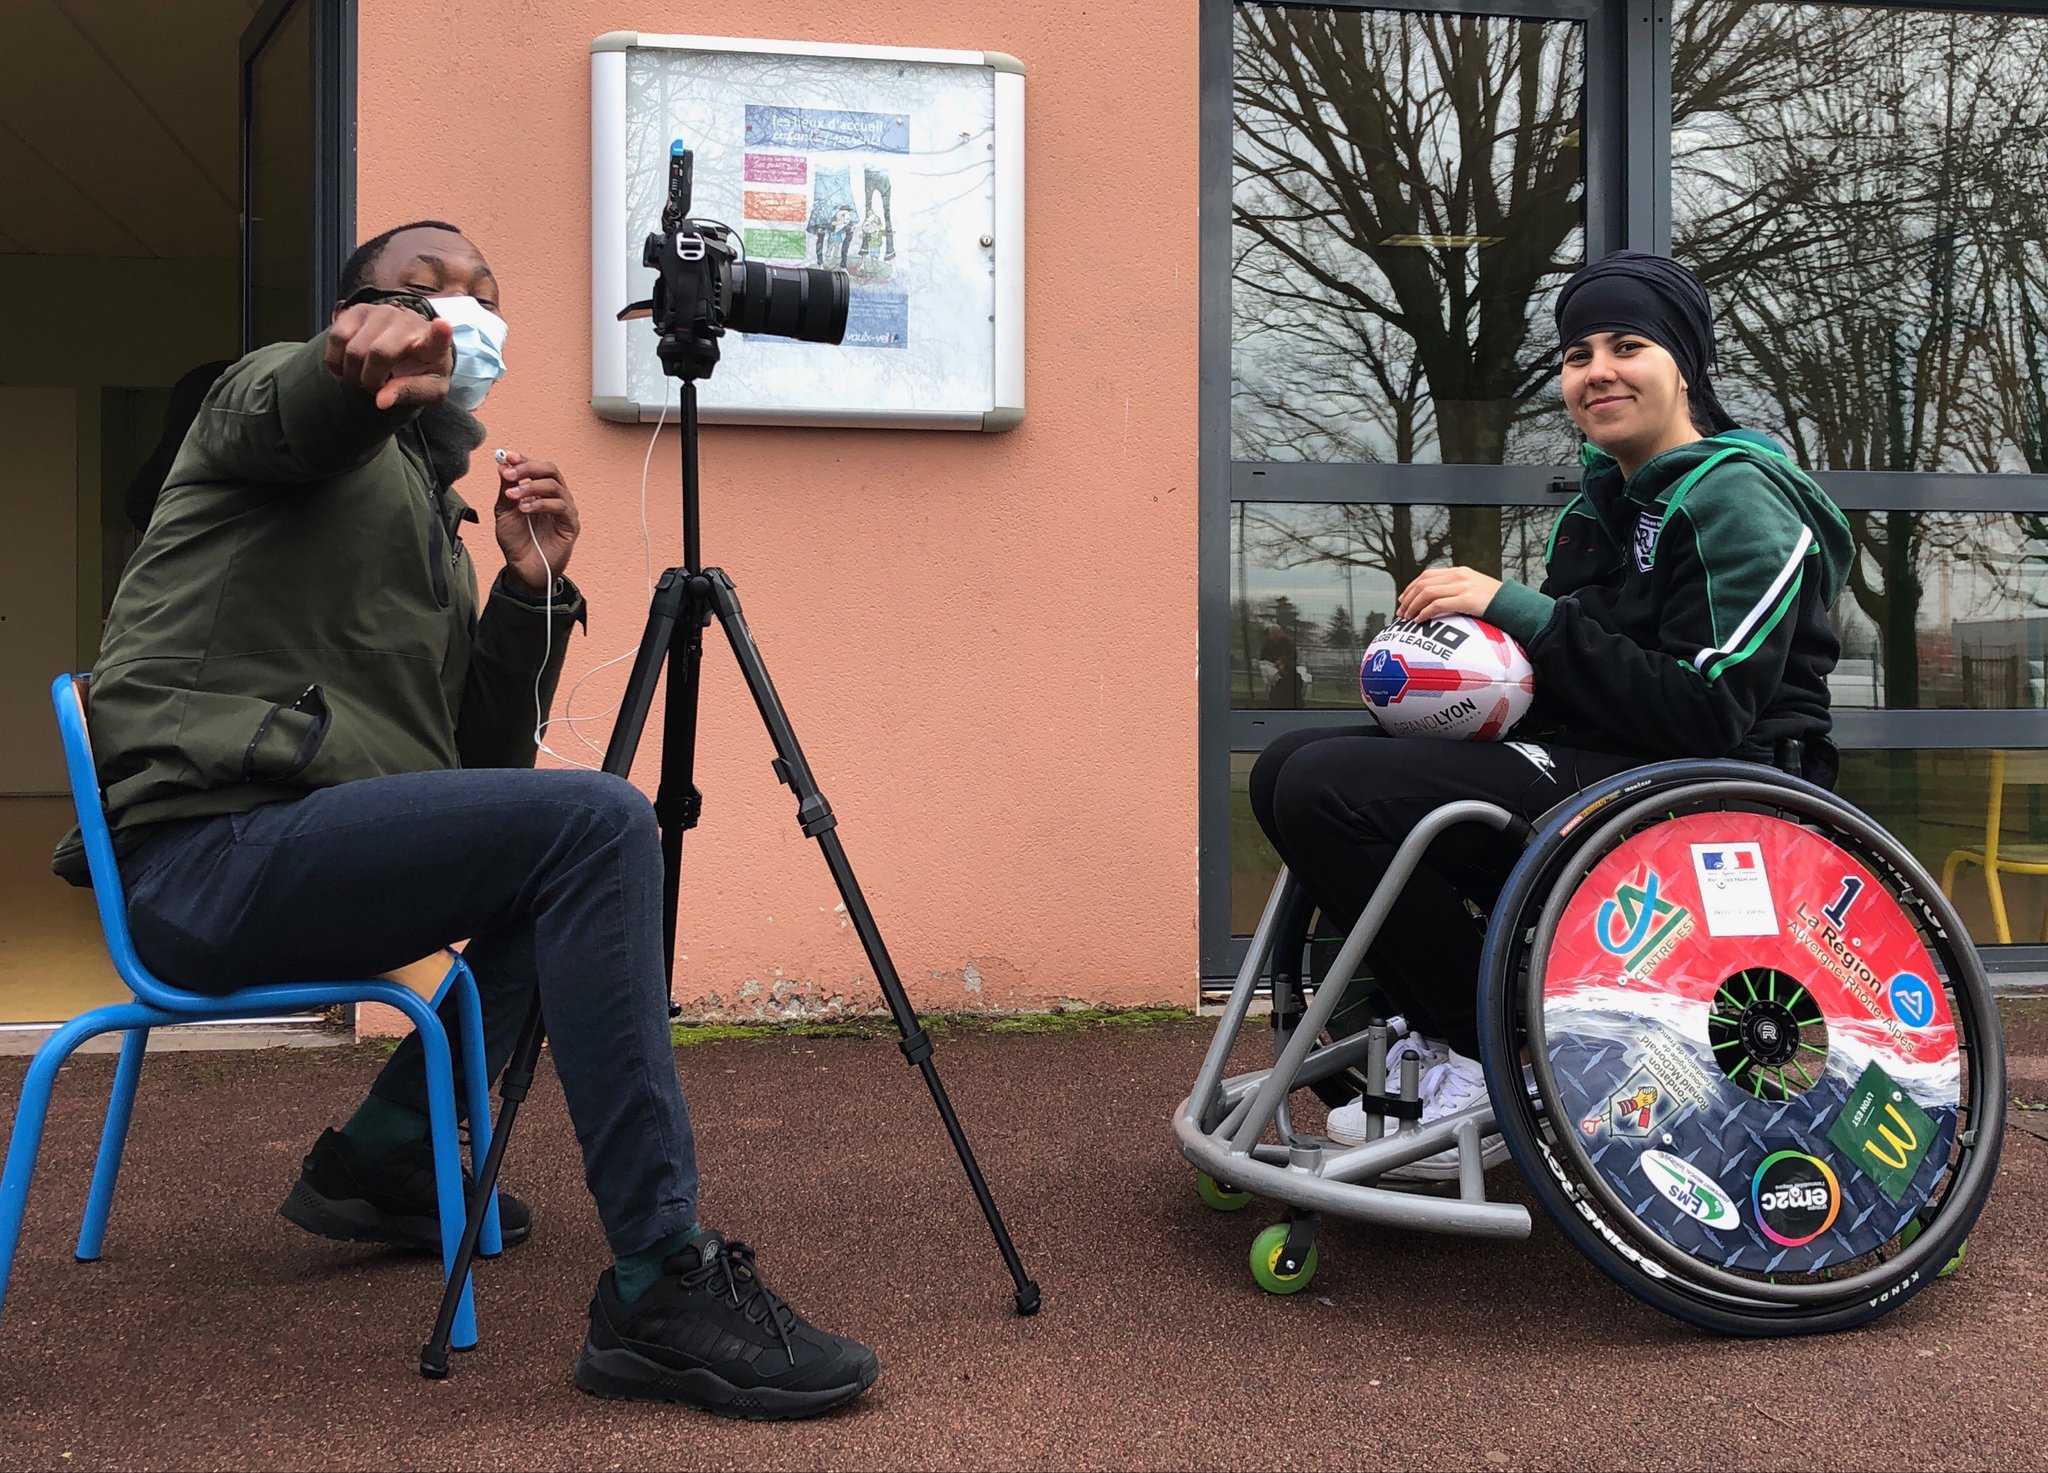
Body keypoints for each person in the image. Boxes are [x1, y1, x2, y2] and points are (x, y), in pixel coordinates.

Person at [51, 222, 879, 1419]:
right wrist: (343, 364)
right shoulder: (261, 415)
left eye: (483, 292)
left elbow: (477, 767)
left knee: (567, 861)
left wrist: (530, 587)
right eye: (423, 290)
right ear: (358, 311)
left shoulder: (431, 519)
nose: (461, 309)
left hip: (307, 851)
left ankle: (387, 1156)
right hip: (206, 859)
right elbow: (292, 405)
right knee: (601, 825)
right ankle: (658, 1284)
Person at [1249, 251, 1852, 1176]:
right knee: (1285, 766)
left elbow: (1705, 708)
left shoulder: (1737, 498)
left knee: (1329, 788)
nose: (1597, 371)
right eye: (1577, 355)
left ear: (1684, 364)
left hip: (1710, 790)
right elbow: (1568, 666)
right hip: (1599, 760)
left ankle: (1492, 1056)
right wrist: (1453, 673)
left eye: (1627, 346)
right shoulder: (1597, 509)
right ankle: (1441, 1029)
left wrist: (1515, 608)